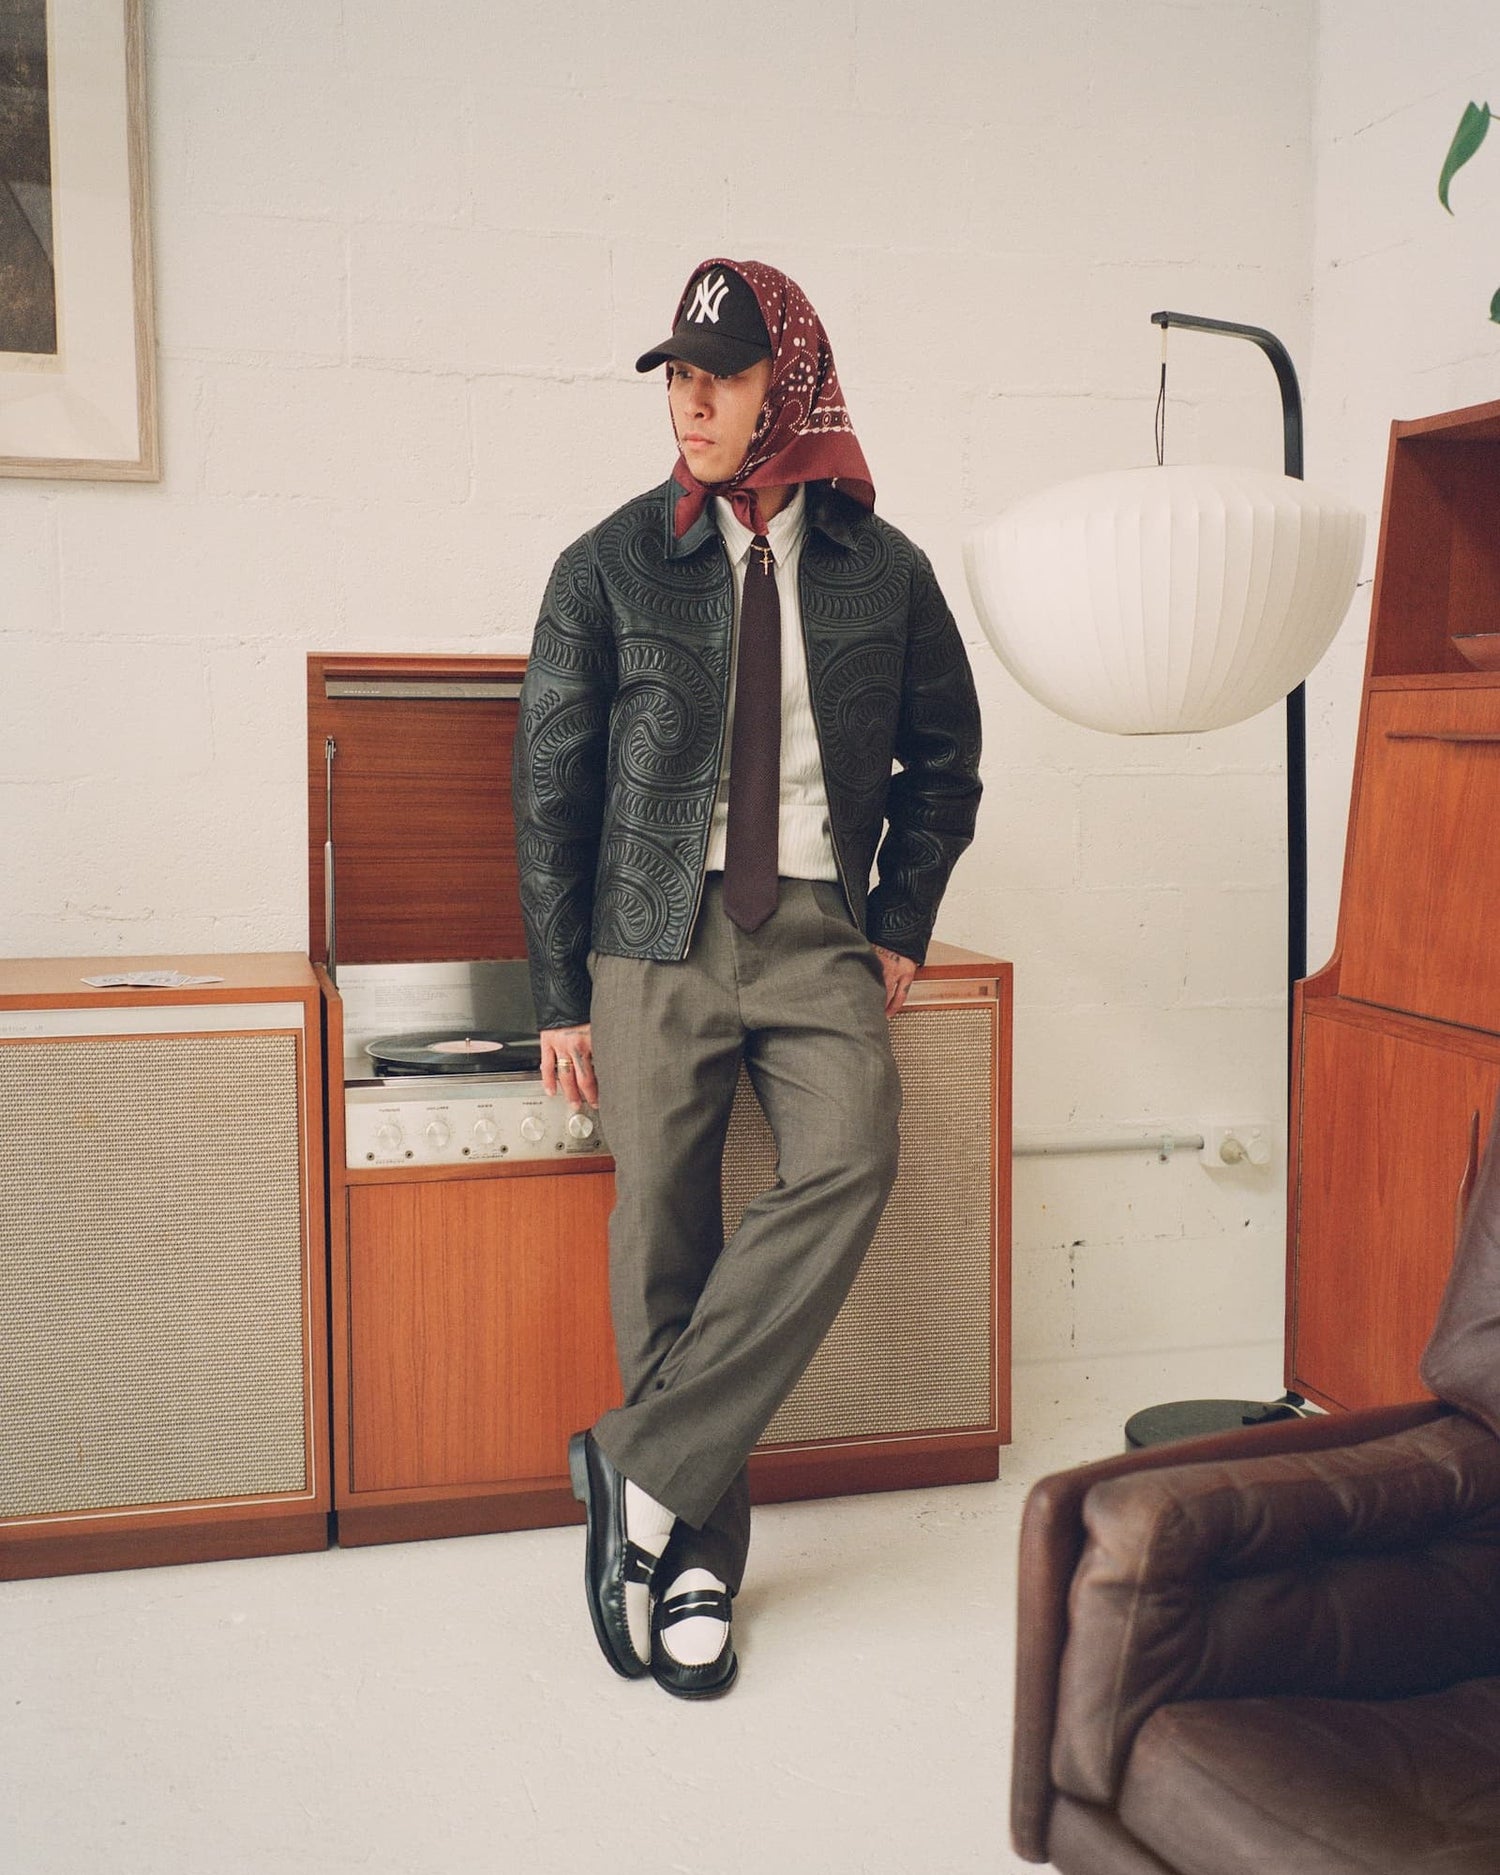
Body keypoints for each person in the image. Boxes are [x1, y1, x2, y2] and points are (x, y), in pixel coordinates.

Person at [513, 258, 982, 1699]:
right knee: (663, 1224)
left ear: (792, 382)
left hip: (818, 928)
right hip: (649, 931)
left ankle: (638, 1468)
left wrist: (901, 921)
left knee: (851, 1156)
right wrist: (560, 994)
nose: (691, 401)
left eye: (719, 373)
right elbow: (551, 791)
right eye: (676, 374)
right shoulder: (606, 565)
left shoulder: (885, 572)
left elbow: (946, 762)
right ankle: (694, 1560)